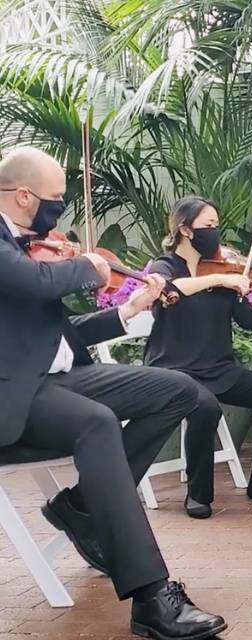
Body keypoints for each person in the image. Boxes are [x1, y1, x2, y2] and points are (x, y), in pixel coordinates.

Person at [0, 148, 227, 639]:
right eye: (56, 199)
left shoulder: (33, 243)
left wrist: (127, 311)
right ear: (23, 196)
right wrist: (90, 266)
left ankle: (82, 506)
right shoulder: (10, 252)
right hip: (14, 392)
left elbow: (57, 333)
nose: (60, 210)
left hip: (57, 377)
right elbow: (32, 281)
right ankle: (151, 597)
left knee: (179, 390)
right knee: (97, 422)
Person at [144, 196, 252, 519]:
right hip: (174, 369)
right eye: (208, 226)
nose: (215, 233)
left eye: (217, 226)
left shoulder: (224, 269)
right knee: (205, 408)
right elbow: (172, 288)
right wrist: (221, 279)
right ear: (185, 230)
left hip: (217, 367)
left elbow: (251, 319)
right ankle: (198, 495)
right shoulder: (164, 267)